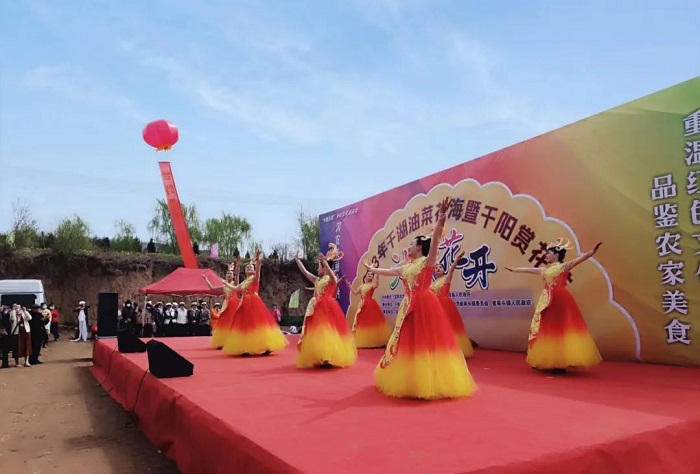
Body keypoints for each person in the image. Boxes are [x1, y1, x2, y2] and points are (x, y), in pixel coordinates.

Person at [363, 198, 476, 400]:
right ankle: (411, 380)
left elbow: (435, 241)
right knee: (407, 342)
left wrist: (441, 219)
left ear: (419, 247)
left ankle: (430, 381)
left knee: (426, 340)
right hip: (408, 306)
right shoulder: (406, 267)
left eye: (412, 244)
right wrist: (372, 269)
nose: (409, 247)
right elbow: (388, 271)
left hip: (424, 305)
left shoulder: (427, 261)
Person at [506, 238, 604, 374]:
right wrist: (514, 270)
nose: (546, 255)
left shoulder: (563, 266)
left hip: (559, 300)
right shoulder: (544, 269)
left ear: (556, 254)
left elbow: (579, 260)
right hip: (546, 300)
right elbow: (529, 269)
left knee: (559, 328)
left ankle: (560, 362)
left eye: (548, 253)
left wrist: (592, 252)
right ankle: (544, 359)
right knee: (544, 328)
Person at [295, 245, 357, 369]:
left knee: (327, 331)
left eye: (319, 266)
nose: (317, 269)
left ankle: (327, 357)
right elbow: (305, 272)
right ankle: (321, 356)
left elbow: (333, 277)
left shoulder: (331, 279)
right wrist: (297, 260)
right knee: (319, 332)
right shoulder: (317, 280)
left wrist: (324, 262)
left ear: (324, 268)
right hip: (317, 308)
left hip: (328, 307)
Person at [221, 251, 288, 356]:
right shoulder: (244, 281)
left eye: (251, 267)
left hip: (254, 301)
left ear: (253, 270)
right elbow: (236, 288)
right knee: (245, 325)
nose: (248, 268)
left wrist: (258, 261)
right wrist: (226, 283)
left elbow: (258, 272)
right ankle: (246, 347)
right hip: (244, 303)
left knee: (257, 323)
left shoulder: (254, 278)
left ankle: (267, 345)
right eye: (247, 267)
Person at [431, 250, 473, 358]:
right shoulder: (432, 283)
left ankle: (455, 350)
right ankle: (442, 350)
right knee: (439, 328)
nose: (438, 268)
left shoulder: (446, 278)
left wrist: (456, 261)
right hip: (436, 306)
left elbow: (452, 269)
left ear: (444, 270)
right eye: (436, 267)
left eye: (440, 267)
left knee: (450, 326)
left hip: (446, 306)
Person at [345, 269, 392, 349]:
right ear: (365, 276)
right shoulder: (361, 286)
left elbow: (376, 285)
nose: (370, 275)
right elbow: (355, 293)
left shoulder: (372, 285)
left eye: (371, 275)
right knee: (361, 322)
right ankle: (363, 341)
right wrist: (350, 286)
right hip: (362, 306)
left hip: (370, 305)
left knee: (371, 322)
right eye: (368, 274)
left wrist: (377, 275)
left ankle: (374, 341)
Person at [204, 259, 241, 349]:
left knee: (234, 321)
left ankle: (236, 340)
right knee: (224, 322)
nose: (229, 274)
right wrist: (206, 279)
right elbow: (212, 288)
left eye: (231, 273)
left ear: (233, 276)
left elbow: (237, 276)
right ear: (226, 275)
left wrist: (237, 267)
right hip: (226, 304)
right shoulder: (224, 286)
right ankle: (224, 341)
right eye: (228, 273)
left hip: (234, 303)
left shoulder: (235, 283)